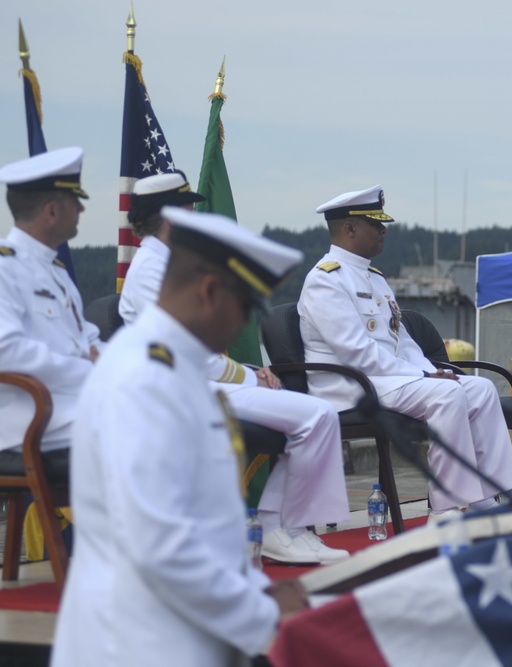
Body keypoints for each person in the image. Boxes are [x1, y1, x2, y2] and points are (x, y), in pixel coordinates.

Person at [52, 208, 311, 666]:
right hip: (134, 644)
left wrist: (258, 590)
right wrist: (263, 615)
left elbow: (209, 527)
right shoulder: (144, 378)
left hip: (180, 633)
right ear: (211, 290)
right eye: (246, 310)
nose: (242, 328)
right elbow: (160, 545)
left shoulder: (178, 370)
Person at [119, 172, 349, 565]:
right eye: (190, 208)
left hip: (201, 379)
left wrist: (244, 368)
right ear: (173, 218)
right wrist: (248, 373)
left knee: (318, 416)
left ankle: (279, 526)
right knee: (317, 415)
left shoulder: (168, 262)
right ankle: (279, 527)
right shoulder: (153, 270)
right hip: (177, 387)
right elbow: (183, 346)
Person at [298, 185, 512, 514]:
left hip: (387, 379)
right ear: (349, 228)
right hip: (350, 384)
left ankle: (489, 499)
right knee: (446, 395)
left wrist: (430, 370)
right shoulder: (325, 280)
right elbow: (356, 352)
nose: (382, 230)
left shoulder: (375, 278)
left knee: (480, 388)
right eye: (375, 224)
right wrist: (424, 377)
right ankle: (448, 509)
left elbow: (400, 339)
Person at [0, 147, 101, 466]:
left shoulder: (55, 271)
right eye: (75, 201)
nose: (82, 210)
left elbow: (88, 341)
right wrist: (88, 369)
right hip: (28, 417)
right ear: (52, 212)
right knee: (156, 427)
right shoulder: (5, 269)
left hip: (71, 405)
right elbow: (5, 351)